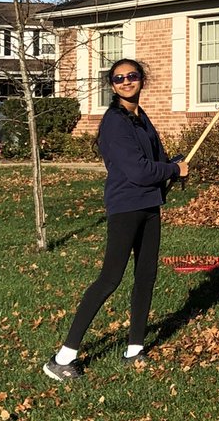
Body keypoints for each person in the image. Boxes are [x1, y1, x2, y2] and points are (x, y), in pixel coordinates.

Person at [42, 59, 187, 381]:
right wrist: (174, 171)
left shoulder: (140, 116)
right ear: (112, 85)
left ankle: (134, 349)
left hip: (149, 205)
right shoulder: (115, 123)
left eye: (131, 76)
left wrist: (172, 163)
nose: (126, 82)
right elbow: (137, 171)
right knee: (110, 279)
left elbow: (154, 158)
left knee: (146, 276)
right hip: (126, 207)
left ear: (141, 80)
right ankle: (62, 358)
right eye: (119, 78)